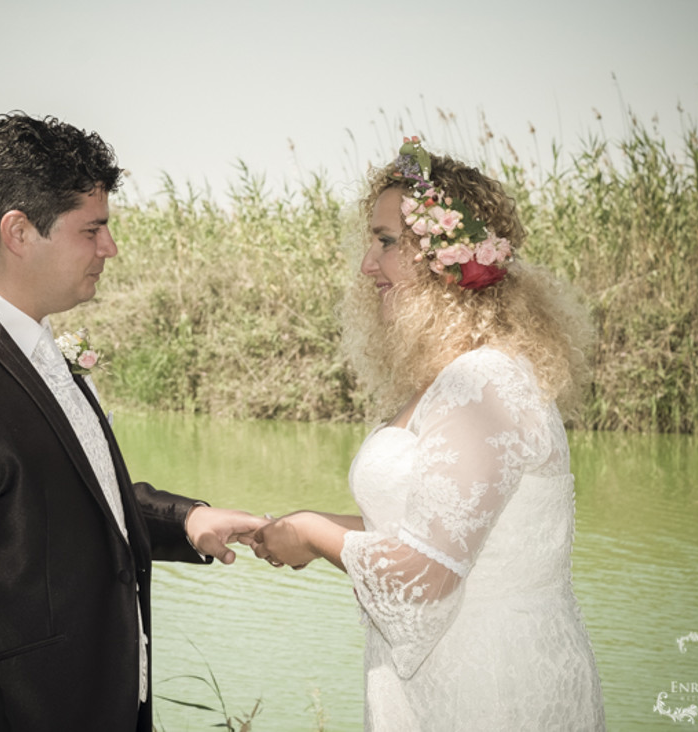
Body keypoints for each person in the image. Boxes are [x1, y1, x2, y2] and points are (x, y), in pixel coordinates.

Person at [0, 112, 266, 732]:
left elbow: (65, 503)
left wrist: (186, 521)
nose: (110, 248)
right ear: (19, 232)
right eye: (92, 229)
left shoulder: (39, 346)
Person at [251, 137, 605, 730]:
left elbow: (425, 578)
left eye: (386, 241)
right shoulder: (452, 378)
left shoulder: (484, 384)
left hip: (489, 689)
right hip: (444, 682)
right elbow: (432, 531)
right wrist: (299, 527)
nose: (367, 265)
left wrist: (311, 533)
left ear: (446, 256)